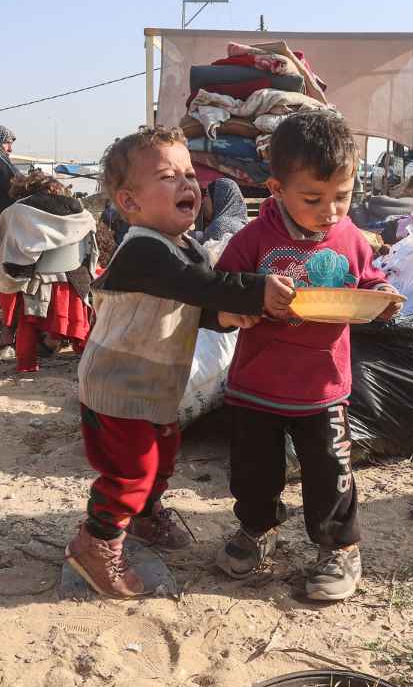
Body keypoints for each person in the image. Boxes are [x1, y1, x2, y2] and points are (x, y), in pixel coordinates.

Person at [68, 127, 296, 599]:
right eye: (168, 176)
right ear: (130, 203)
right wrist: (254, 290)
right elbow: (199, 287)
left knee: (162, 458)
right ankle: (97, 542)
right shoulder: (144, 250)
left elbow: (200, 303)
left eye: (189, 173)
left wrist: (231, 314)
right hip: (119, 384)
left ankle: (145, 517)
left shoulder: (185, 248)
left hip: (155, 383)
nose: (187, 184)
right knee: (131, 470)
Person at [214, 110, 402, 602]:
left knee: (330, 472)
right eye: (313, 199)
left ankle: (339, 548)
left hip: (323, 386)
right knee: (254, 474)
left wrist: (381, 298)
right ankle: (257, 530)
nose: (331, 211)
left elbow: (368, 280)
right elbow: (218, 297)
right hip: (257, 384)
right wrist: (249, 303)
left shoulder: (350, 238)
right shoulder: (251, 240)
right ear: (276, 188)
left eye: (342, 196)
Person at [0, 171, 96, 373]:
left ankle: (14, 342)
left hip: (31, 285)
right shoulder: (82, 214)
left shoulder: (18, 212)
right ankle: (82, 355)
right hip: (74, 282)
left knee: (8, 278)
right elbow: (92, 252)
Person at [193, 178, 248, 243]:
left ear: (218, 199)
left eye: (207, 195)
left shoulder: (220, 226)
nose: (203, 201)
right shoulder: (244, 226)